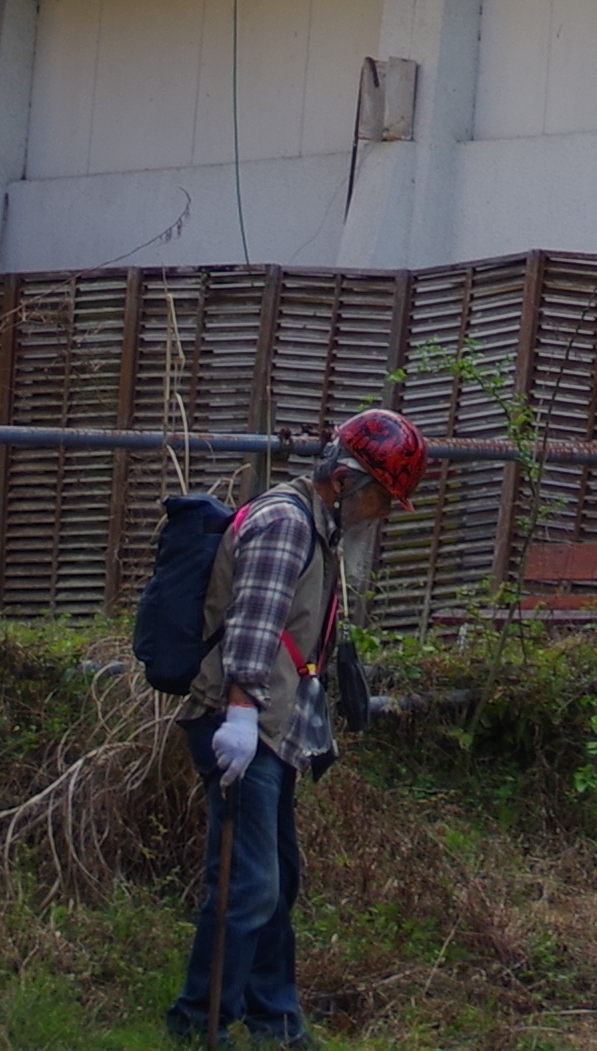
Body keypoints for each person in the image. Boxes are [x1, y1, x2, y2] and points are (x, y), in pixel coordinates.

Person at [174, 406, 427, 1044]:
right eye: (382, 499)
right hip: (241, 724)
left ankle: (275, 1020)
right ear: (346, 481)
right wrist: (237, 713)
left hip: (274, 725)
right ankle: (197, 1021)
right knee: (248, 883)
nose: (384, 513)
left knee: (277, 880)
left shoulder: (318, 526)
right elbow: (254, 623)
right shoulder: (286, 523)